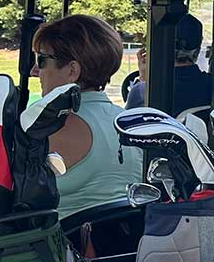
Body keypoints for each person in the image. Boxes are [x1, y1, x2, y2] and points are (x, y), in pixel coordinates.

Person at [35, 14, 145, 218]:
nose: (34, 71)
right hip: (123, 235)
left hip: (63, 236)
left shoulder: (55, 128)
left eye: (41, 60)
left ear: (72, 70)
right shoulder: (131, 124)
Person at [126, 13, 213, 116]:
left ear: (162, 45)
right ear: (198, 47)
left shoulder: (144, 91)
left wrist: (143, 79)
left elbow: (129, 120)